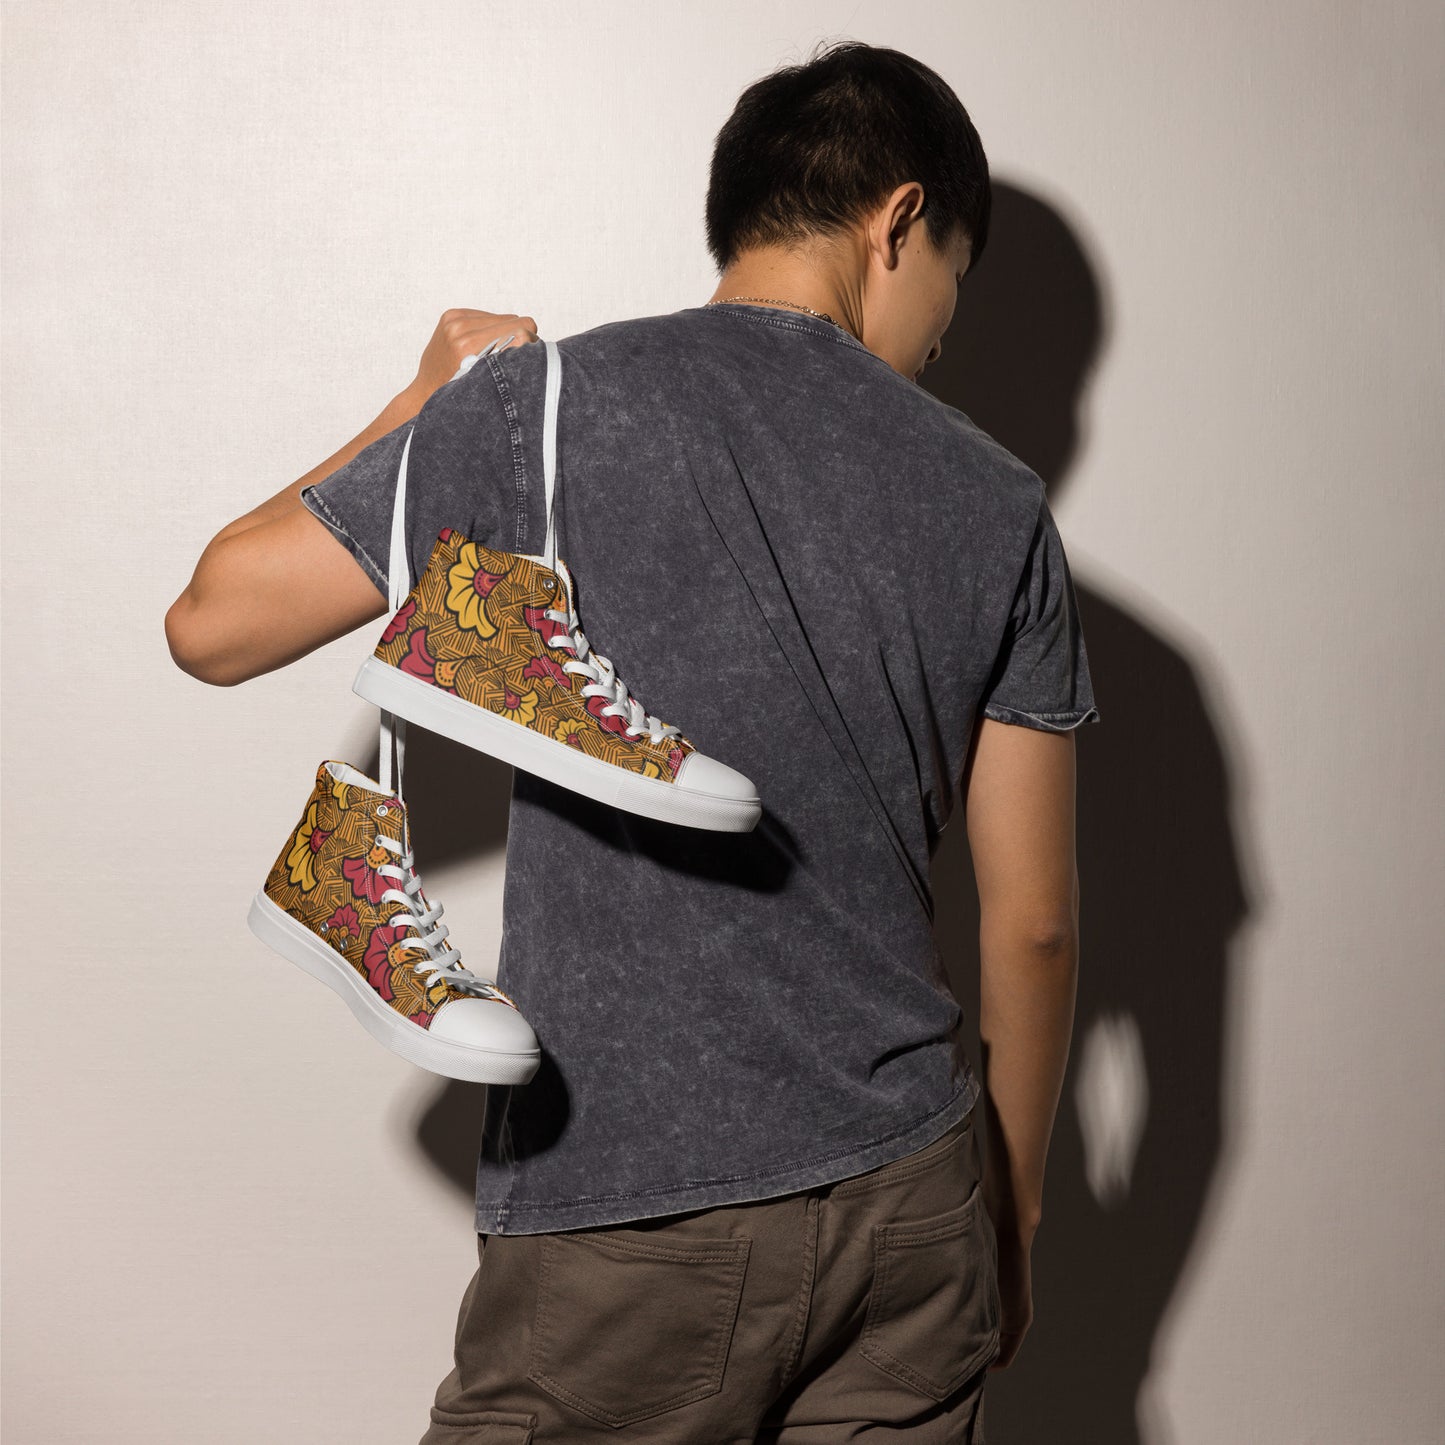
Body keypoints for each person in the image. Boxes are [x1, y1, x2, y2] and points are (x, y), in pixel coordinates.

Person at [166, 37, 1098, 1444]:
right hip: (909, 1200)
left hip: (627, 1205)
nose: (938, 335)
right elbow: (1032, 924)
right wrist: (1008, 1211)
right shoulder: (998, 502)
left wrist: (422, 406)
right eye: (951, 285)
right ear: (898, 221)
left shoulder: (540, 413)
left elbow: (214, 622)